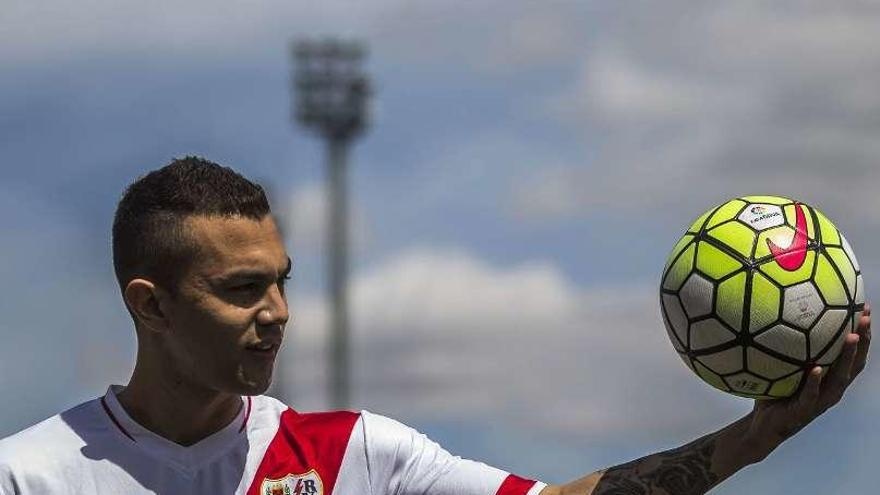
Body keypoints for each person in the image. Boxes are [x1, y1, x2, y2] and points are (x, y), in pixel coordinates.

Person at [0, 157, 870, 495]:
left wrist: (754, 439)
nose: (278, 315)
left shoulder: (356, 455)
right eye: (241, 289)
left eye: (282, 283)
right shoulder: (27, 474)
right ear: (149, 303)